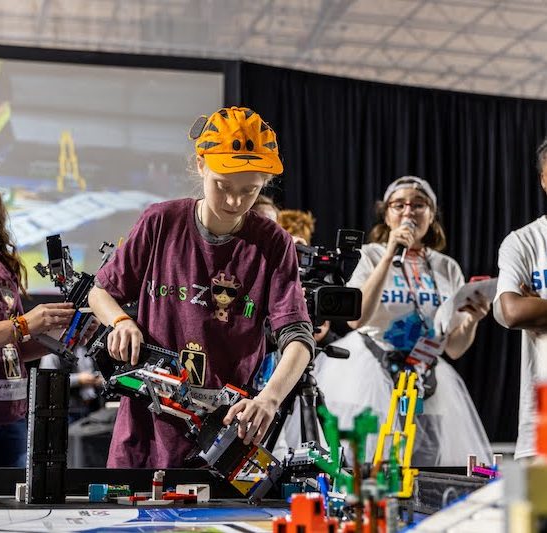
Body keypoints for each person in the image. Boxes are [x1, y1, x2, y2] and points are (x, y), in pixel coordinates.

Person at [88, 106, 315, 469]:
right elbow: (99, 292)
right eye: (222, 186)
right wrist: (120, 322)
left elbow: (299, 337)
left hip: (222, 434)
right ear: (201, 165)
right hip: (147, 430)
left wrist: (269, 399)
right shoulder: (160, 222)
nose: (234, 202)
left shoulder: (273, 243)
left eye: (250, 191)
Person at [314, 176, 493, 466]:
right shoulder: (369, 255)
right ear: (386, 214)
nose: (409, 211)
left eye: (419, 205)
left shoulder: (447, 267)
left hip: (425, 371)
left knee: (424, 462)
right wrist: (388, 256)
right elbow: (356, 320)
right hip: (371, 368)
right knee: (370, 461)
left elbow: (456, 348)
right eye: (399, 205)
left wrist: (472, 319)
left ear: (432, 215)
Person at [0, 147, 76, 467]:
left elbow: (13, 347)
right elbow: (15, 330)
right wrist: (22, 325)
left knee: (16, 516)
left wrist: (64, 335)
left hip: (12, 416)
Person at [494, 138, 547, 462]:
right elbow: (512, 311)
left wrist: (539, 307)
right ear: (543, 179)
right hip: (540, 424)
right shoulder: (522, 242)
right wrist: (525, 309)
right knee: (531, 511)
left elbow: (526, 309)